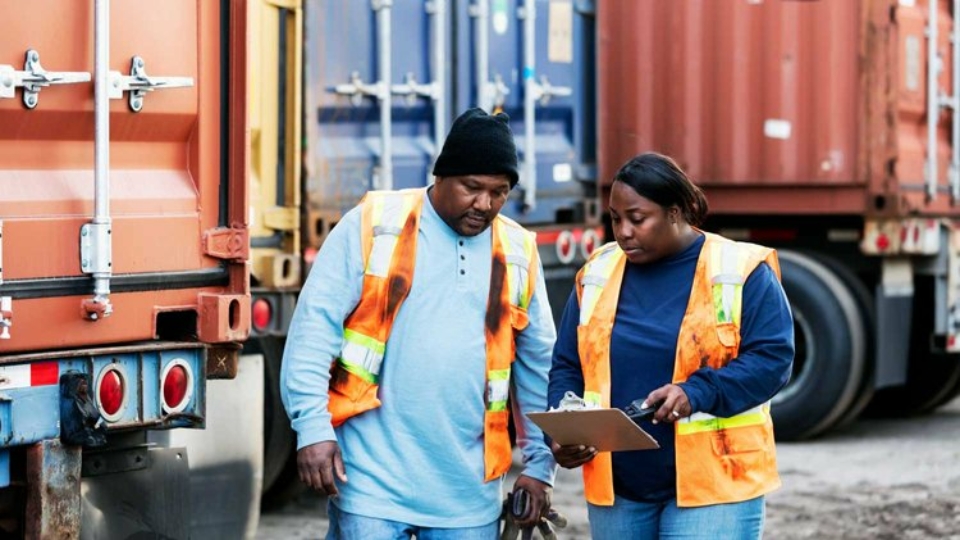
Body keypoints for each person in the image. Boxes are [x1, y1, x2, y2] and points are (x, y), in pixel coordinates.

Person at [281, 107, 558, 539]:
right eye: (472, 187)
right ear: (441, 175)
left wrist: (541, 466)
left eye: (499, 192)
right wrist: (312, 428)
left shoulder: (518, 250)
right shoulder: (375, 225)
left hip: (469, 495)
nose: (484, 204)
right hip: (371, 482)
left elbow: (540, 366)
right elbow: (313, 332)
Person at [548, 152, 794, 539]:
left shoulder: (740, 270)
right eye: (615, 218)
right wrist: (563, 429)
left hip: (714, 488)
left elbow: (772, 361)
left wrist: (694, 392)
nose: (623, 231)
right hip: (620, 491)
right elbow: (567, 363)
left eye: (637, 218)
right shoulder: (596, 272)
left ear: (675, 213)